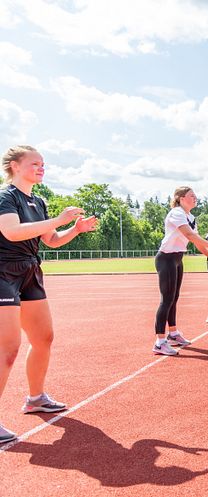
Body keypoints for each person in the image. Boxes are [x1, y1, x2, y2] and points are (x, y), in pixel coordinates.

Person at [0, 145, 98, 443]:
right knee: (8, 348)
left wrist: (75, 230)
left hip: (30, 271)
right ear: (15, 166)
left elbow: (51, 240)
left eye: (43, 164)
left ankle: (35, 398)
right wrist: (59, 219)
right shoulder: (5, 197)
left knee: (43, 337)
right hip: (3, 272)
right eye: (34, 163)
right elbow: (12, 232)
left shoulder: (38, 201)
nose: (41, 168)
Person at [153, 187, 208, 356]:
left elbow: (197, 241)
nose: (195, 198)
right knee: (167, 299)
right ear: (181, 198)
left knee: (174, 298)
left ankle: (173, 333)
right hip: (166, 258)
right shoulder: (176, 213)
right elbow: (189, 235)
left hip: (177, 259)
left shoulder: (190, 217)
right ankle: (159, 342)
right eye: (192, 195)